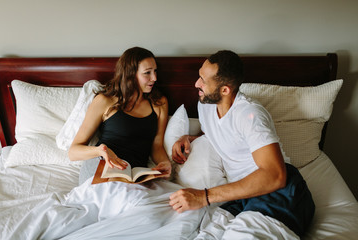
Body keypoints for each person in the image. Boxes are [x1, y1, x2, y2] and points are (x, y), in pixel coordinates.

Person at [169, 50, 315, 237]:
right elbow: (219, 134)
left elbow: (276, 175)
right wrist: (189, 138)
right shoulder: (205, 104)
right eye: (199, 76)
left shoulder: (250, 115)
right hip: (240, 194)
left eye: (203, 81)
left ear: (225, 90)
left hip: (278, 193)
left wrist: (204, 196)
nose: (197, 84)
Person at [69, 47, 172, 182]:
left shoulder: (159, 103)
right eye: (147, 73)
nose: (154, 78)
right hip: (101, 167)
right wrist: (100, 151)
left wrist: (165, 163)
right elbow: (73, 152)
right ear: (130, 74)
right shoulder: (105, 101)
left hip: (134, 175)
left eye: (155, 71)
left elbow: (157, 145)